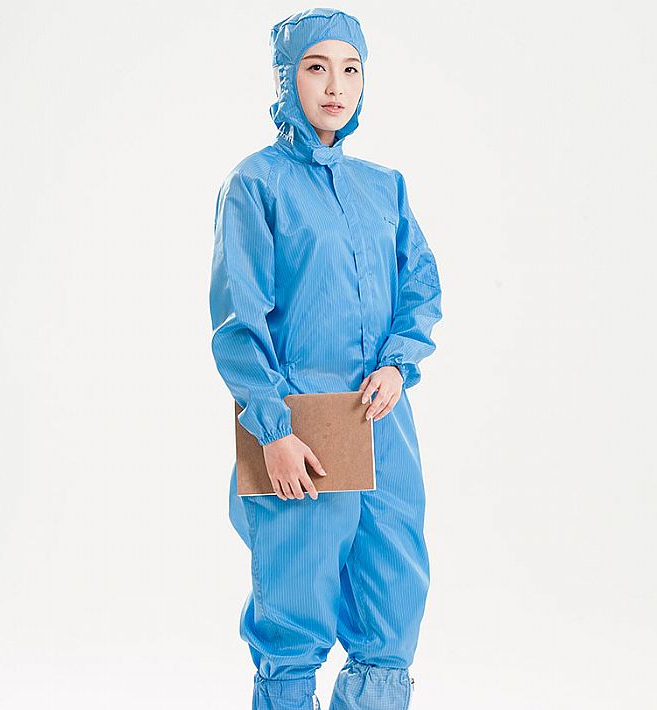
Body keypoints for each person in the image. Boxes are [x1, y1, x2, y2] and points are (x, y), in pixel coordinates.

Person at [209, 8, 443, 709]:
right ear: (287, 79)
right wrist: (273, 431)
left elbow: (419, 287)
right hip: (300, 428)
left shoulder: (384, 186)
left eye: (351, 69)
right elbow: (238, 321)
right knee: (293, 613)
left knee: (393, 609)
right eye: (317, 68)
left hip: (382, 426)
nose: (336, 86)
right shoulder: (256, 184)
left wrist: (398, 363)